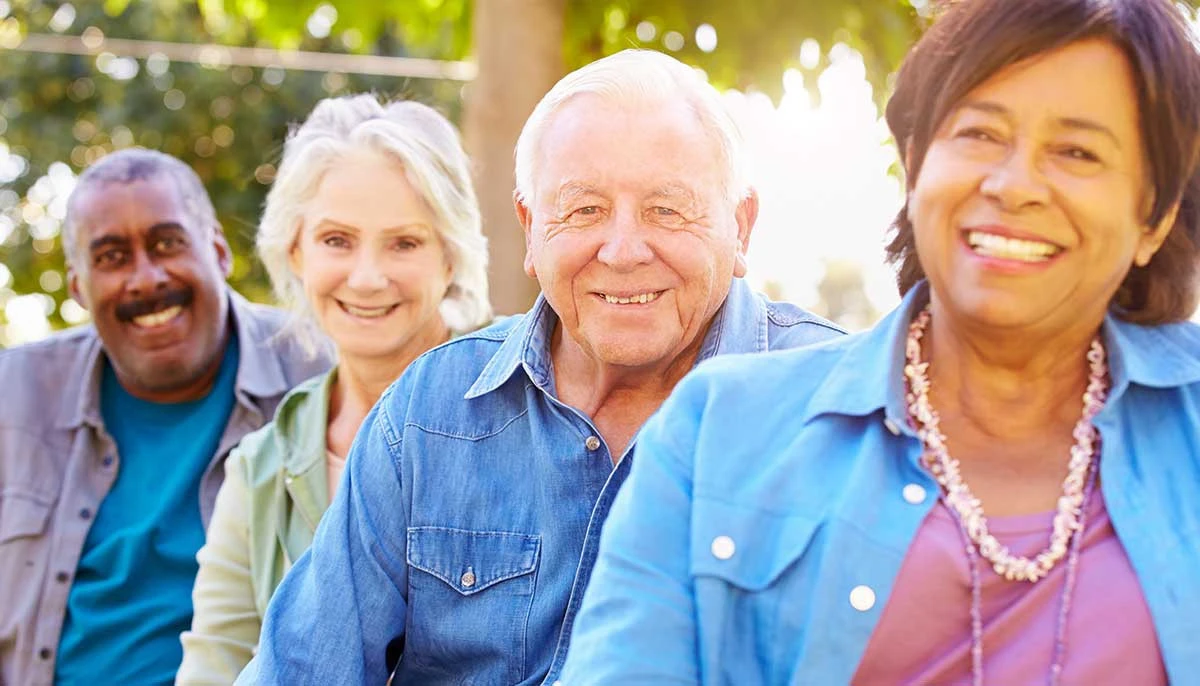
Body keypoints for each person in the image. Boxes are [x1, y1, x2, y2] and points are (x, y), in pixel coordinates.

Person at [560, 0, 1200, 683]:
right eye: (981, 133)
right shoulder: (717, 430)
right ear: (916, 161)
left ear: (1154, 216)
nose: (1014, 185)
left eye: (1077, 151)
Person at [237, 49, 844, 684]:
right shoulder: (429, 414)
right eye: (584, 210)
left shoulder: (838, 409)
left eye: (668, 209)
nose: (623, 249)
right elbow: (301, 668)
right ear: (530, 228)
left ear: (741, 226)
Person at [175, 94, 492, 683]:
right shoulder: (258, 472)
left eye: (404, 243)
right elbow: (213, 669)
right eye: (336, 240)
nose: (367, 278)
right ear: (294, 251)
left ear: (451, 256)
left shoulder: (530, 412)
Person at [0, 148, 330, 685]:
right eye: (111, 257)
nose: (146, 278)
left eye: (168, 243)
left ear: (219, 251)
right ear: (79, 287)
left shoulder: (321, 373)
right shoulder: (14, 396)